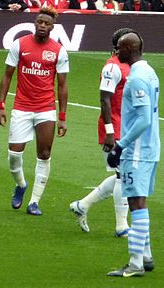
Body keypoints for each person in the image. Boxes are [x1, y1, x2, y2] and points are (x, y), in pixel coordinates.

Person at [0, 6, 69, 215]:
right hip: (22, 107)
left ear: (52, 27)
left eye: (46, 24)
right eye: (39, 22)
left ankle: (34, 202)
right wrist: (1, 105)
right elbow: (7, 75)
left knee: (44, 154)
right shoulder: (19, 45)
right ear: (35, 23)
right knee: (14, 156)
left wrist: (62, 117)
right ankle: (20, 185)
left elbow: (62, 85)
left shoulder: (58, 51)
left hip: (46, 108)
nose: (42, 26)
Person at [69, 28, 135, 237]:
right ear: (121, 45)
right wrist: (109, 132)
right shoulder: (112, 68)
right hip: (114, 127)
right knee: (124, 177)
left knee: (121, 176)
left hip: (127, 127)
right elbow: (104, 100)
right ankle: (121, 226)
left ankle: (83, 205)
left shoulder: (130, 66)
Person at [107, 31, 160, 277]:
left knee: (135, 202)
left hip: (137, 150)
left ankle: (135, 263)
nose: (117, 53)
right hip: (150, 148)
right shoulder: (149, 72)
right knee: (140, 202)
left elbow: (143, 119)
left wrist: (120, 145)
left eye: (119, 48)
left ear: (128, 49)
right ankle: (146, 256)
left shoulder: (137, 77)